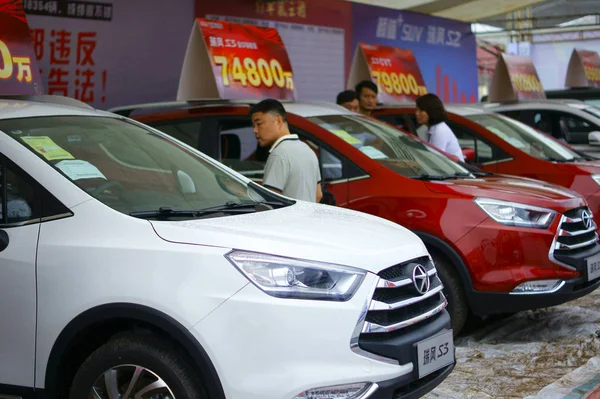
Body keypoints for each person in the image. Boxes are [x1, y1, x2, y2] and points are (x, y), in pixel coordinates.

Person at [250, 99, 323, 203]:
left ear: (279, 121)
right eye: (253, 126)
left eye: (259, 124)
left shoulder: (279, 154)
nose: (255, 130)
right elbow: (318, 195)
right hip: (307, 218)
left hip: (286, 219)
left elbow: (270, 202)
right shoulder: (307, 150)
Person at [415, 93, 465, 162]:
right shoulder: (430, 129)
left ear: (431, 111)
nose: (417, 113)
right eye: (416, 110)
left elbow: (434, 159)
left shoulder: (440, 130)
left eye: (420, 110)